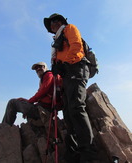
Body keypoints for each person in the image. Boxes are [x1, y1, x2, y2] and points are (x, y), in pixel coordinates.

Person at [43, 13, 97, 162]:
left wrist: (64, 64)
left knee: (76, 107)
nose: (52, 24)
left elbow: (76, 46)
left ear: (61, 21)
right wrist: (58, 71)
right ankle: (73, 151)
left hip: (76, 68)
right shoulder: (56, 42)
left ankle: (88, 152)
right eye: (50, 23)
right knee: (68, 111)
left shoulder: (69, 29)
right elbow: (59, 62)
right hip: (67, 75)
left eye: (55, 21)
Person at [2, 62, 62, 126]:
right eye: (36, 68)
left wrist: (29, 102)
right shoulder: (46, 78)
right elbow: (41, 95)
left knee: (12, 103)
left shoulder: (49, 75)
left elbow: (42, 92)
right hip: (44, 109)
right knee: (18, 102)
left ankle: (4, 126)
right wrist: (28, 102)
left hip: (43, 111)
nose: (38, 69)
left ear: (45, 67)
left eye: (40, 67)